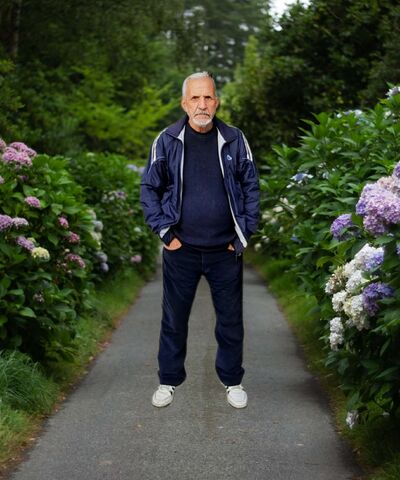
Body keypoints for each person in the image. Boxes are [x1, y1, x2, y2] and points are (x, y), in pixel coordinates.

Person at [140, 71, 260, 409]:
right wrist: (165, 233)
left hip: (225, 250)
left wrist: (243, 235)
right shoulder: (167, 140)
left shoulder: (234, 139)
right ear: (184, 103)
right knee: (174, 320)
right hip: (182, 249)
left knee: (230, 321)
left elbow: (251, 186)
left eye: (208, 97)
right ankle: (168, 381)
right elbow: (149, 188)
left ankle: (232, 381)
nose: (202, 104)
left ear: (216, 102)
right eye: (195, 98)